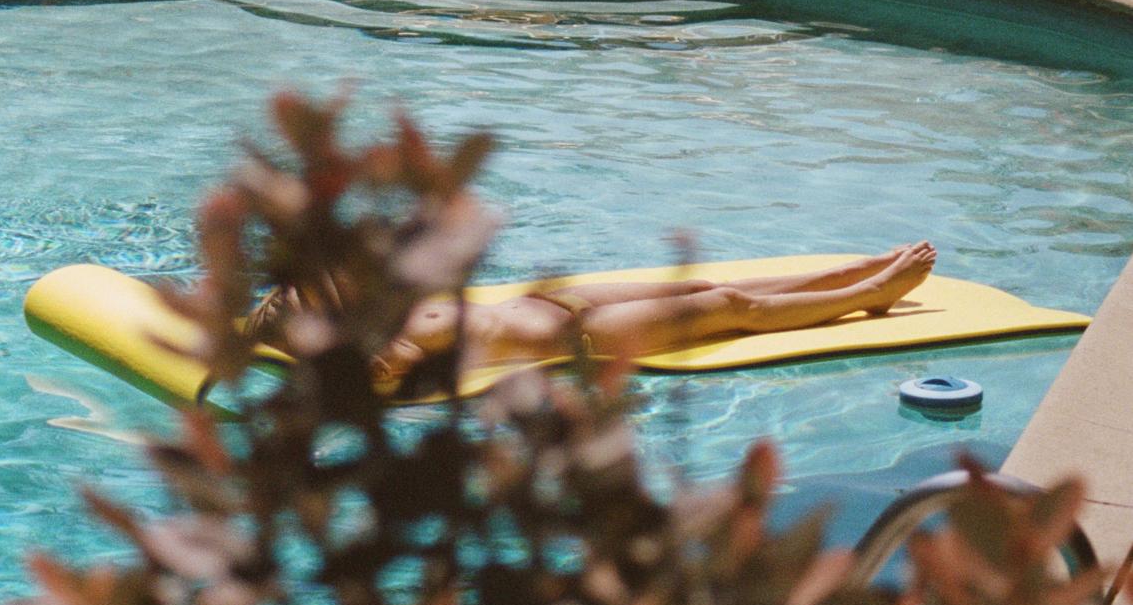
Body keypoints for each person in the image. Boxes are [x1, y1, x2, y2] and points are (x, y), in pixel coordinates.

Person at [243, 242, 937, 391]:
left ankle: (854, 270)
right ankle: (865, 297)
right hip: (583, 336)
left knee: (711, 281)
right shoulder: (384, 352)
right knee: (731, 308)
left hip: (553, 301)